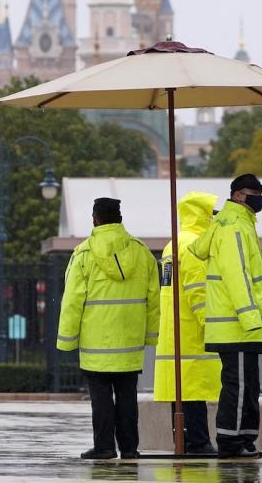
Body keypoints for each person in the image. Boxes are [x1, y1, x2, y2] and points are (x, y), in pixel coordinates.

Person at [57, 197, 160, 460]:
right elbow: (153, 298)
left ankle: (104, 447)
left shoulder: (84, 253)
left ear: (95, 219)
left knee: (101, 398)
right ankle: (129, 448)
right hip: (130, 342)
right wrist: (151, 336)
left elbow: (72, 301)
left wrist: (66, 340)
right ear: (120, 219)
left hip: (96, 344)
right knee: (127, 397)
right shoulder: (141, 252)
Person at [190, 174, 262, 459]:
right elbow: (237, 277)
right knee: (239, 386)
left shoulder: (238, 224)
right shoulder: (234, 227)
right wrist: (251, 318)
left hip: (237, 327)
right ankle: (231, 441)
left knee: (247, 385)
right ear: (239, 195)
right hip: (237, 327)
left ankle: (245, 438)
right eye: (254, 192)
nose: (259, 198)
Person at [153, 192, 221, 455]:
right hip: (191, 330)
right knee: (193, 391)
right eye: (211, 212)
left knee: (180, 391)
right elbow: (198, 289)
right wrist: (210, 325)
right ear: (202, 214)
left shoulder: (173, 244)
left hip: (173, 329)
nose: (214, 217)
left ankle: (181, 441)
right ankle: (198, 442)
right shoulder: (195, 244)